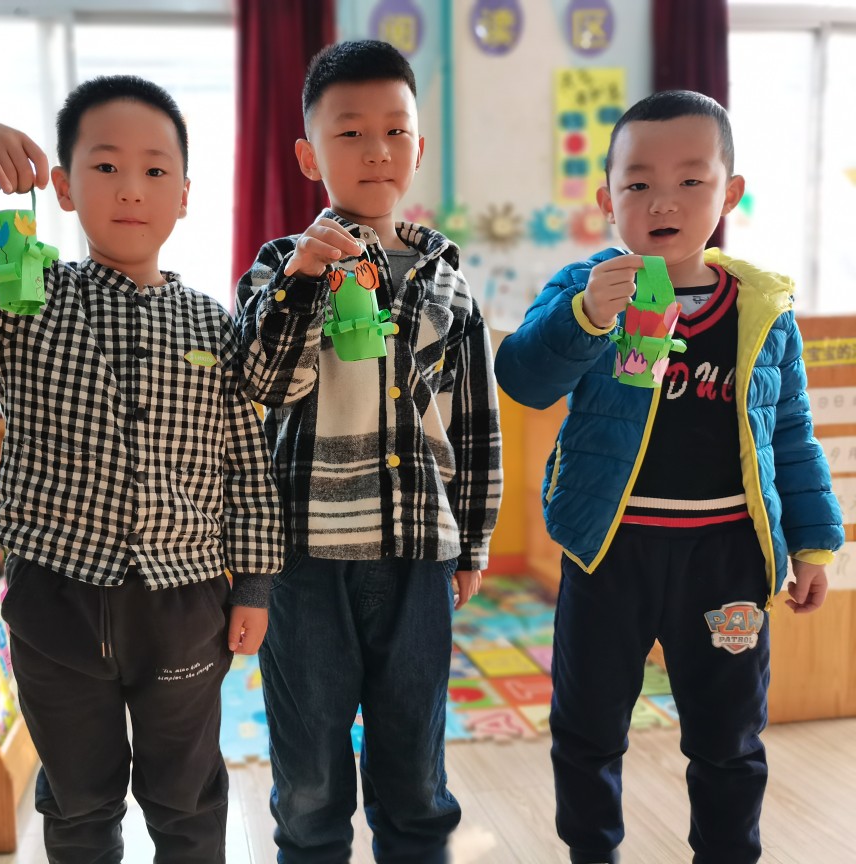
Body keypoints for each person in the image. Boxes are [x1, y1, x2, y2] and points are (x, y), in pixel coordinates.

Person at [0, 75, 284, 864]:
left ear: (184, 197)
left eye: (155, 170)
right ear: (65, 188)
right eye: (106, 167)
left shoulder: (214, 325)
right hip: (56, 597)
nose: (131, 188)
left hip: (183, 598)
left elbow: (247, 463)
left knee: (187, 794)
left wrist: (257, 584)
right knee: (77, 798)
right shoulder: (26, 299)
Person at [494, 90, 845, 864]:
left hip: (726, 561)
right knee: (586, 730)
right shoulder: (587, 288)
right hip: (608, 552)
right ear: (606, 199)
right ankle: (592, 852)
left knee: (729, 736)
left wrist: (814, 544)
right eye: (638, 183)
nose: (663, 201)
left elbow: (791, 433)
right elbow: (521, 379)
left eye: (691, 180)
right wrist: (586, 317)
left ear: (730, 192)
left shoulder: (761, 309)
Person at [236, 40, 502, 863]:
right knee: (310, 773)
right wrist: (304, 283)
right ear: (309, 156)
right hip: (305, 554)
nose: (377, 149)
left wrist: (475, 539)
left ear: (419, 148)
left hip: (419, 548)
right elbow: (262, 383)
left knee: (414, 764)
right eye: (350, 133)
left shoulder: (448, 278)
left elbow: (475, 422)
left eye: (395, 130)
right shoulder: (278, 267)